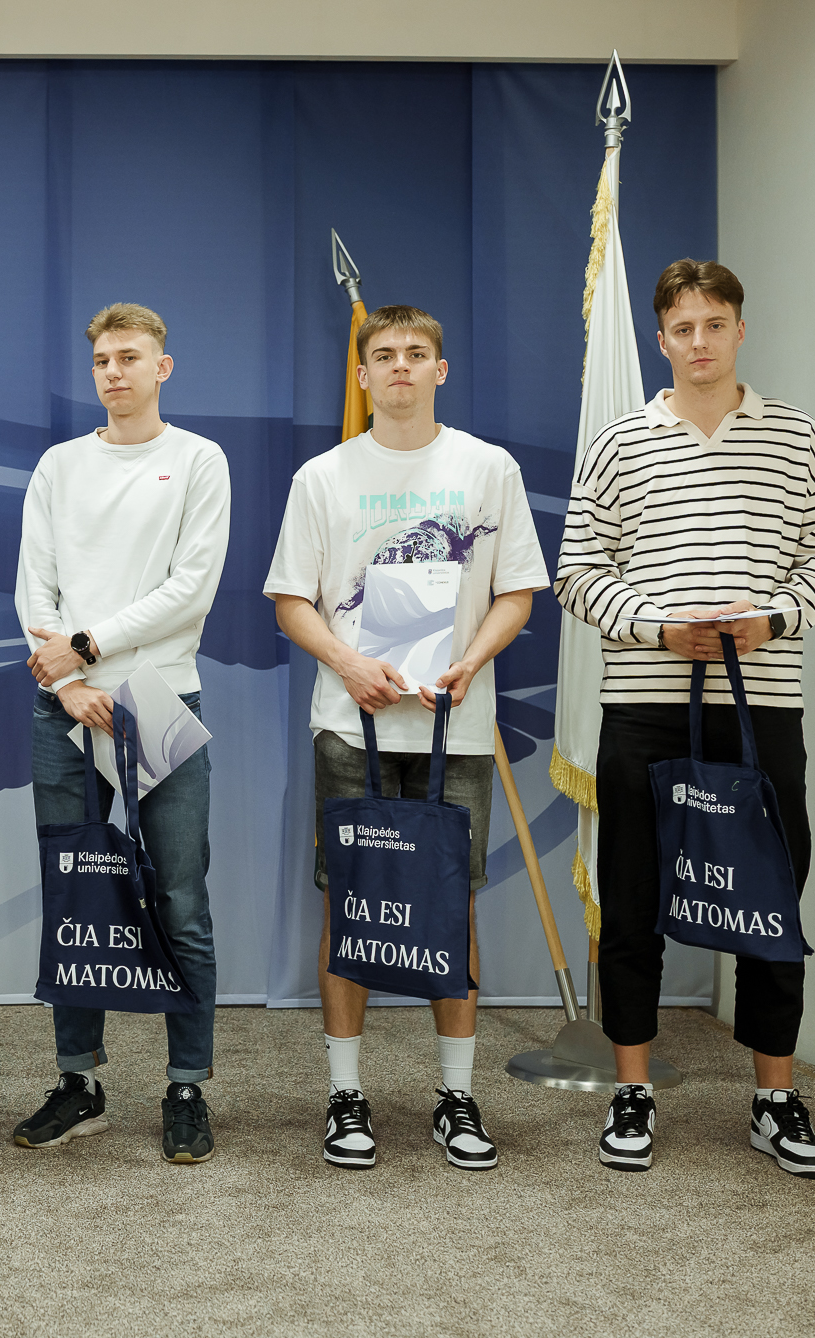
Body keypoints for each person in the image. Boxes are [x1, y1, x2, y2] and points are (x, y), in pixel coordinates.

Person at [556, 259, 815, 1178]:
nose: (699, 342)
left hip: (761, 708)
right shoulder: (620, 443)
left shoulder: (797, 438)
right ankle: (633, 1092)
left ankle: (775, 1099)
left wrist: (774, 619)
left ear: (738, 330)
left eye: (714, 325)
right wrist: (657, 627)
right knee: (633, 898)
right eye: (682, 328)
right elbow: (576, 571)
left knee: (772, 899)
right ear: (661, 339)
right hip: (643, 707)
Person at [266, 304, 549, 1172]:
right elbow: (291, 601)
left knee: (452, 903)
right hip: (349, 724)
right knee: (347, 900)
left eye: (416, 353)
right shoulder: (323, 476)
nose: (399, 366)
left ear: (440, 369)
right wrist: (349, 663)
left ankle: (456, 1094)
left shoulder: (487, 467)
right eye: (383, 354)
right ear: (361, 375)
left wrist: (471, 661)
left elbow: (517, 592)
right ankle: (344, 1092)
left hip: (452, 730)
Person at [11, 302, 231, 1163]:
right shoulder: (60, 465)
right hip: (64, 707)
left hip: (158, 701)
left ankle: (187, 1085)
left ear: (162, 367)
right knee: (76, 892)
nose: (114, 371)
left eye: (130, 357)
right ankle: (79, 1082)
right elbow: (35, 585)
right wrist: (68, 679)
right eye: (103, 359)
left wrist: (89, 646)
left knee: (181, 899)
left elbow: (191, 587)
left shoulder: (199, 460)